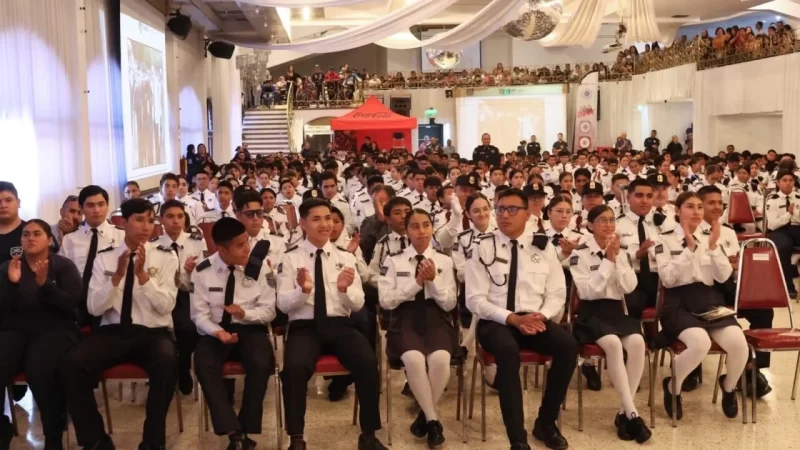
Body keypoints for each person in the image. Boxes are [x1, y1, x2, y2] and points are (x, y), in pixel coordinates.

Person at [63, 198, 179, 450]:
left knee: (168, 362)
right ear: (123, 223)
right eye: (139, 220)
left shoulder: (166, 257)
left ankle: (152, 441)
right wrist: (115, 278)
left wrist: (144, 279)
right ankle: (95, 439)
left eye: (150, 220)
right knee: (73, 364)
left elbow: (167, 306)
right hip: (112, 332)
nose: (146, 227)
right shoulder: (105, 259)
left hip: (153, 333)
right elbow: (94, 308)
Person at [465, 188, 577, 450]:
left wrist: (542, 316)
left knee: (568, 346)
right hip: (496, 321)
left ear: (528, 214)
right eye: (501, 209)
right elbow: (474, 299)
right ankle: (517, 437)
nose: (505, 215)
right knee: (506, 350)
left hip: (534, 317)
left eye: (512, 209)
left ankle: (546, 423)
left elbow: (557, 292)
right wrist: (511, 319)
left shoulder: (543, 247)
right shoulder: (482, 247)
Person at [276, 198, 387, 450]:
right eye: (316, 219)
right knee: (293, 370)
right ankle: (296, 438)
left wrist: (345, 290)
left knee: (368, 362)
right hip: (305, 328)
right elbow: (282, 305)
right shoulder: (291, 258)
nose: (325, 224)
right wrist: (302, 292)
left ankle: (368, 434)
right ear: (303, 224)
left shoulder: (345, 257)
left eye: (328, 218)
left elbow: (358, 304)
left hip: (340, 326)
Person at [654, 192, 749, 421]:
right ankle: (672, 388)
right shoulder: (663, 239)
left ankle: (728, 386)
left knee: (739, 344)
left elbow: (724, 275)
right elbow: (667, 279)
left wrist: (714, 247)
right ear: (677, 211)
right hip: (678, 302)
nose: (696, 211)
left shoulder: (710, 236)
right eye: (689, 206)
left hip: (708, 299)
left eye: (699, 206)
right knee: (700, 343)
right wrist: (689, 249)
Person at [191, 218, 276, 450]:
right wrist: (218, 333)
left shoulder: (260, 267)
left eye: (246, 242)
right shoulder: (203, 271)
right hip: (215, 332)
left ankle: (246, 427)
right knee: (204, 364)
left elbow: (269, 311)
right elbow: (198, 316)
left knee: (260, 362)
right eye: (240, 245)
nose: (247, 249)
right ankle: (234, 433)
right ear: (221, 249)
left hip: (250, 329)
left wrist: (244, 313)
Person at [569, 205, 651, 443]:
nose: (608, 225)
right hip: (591, 315)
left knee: (637, 342)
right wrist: (607, 261)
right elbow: (588, 292)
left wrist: (616, 260)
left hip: (616, 311)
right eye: (602, 220)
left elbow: (628, 288)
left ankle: (623, 412)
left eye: (611, 220)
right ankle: (633, 414)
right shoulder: (580, 253)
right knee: (613, 344)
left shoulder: (622, 252)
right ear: (590, 225)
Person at [378, 209, 458, 447]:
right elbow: (386, 300)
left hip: (437, 317)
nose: (421, 231)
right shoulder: (393, 261)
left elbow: (450, 303)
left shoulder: (445, 261)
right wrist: (416, 284)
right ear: (407, 230)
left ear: (432, 228)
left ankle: (426, 417)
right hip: (405, 318)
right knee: (413, 359)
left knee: (441, 359)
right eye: (415, 226)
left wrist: (432, 282)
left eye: (426, 225)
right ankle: (433, 420)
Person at [0, 220, 82, 450]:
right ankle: (2, 429)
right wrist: (12, 284)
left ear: (49, 239)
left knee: (40, 370)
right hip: (15, 329)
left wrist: (45, 286)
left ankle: (53, 437)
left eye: (37, 233)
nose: (30, 238)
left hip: (55, 328)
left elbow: (72, 306)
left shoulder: (63, 266)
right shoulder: (9, 267)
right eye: (26, 234)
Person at [698, 185, 773, 397]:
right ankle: (745, 367)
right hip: (704, 288)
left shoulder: (729, 232)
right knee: (721, 318)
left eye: (719, 203)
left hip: (728, 284)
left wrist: (736, 265)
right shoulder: (693, 231)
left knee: (763, 310)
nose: (716, 207)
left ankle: (754, 369)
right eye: (710, 202)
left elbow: (734, 264)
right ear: (700, 205)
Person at [154, 199, 208, 395]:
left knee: (187, 326)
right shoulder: (153, 245)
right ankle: (167, 366)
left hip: (188, 295)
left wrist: (188, 273)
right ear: (161, 220)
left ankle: (183, 366)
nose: (175, 221)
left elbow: (203, 277)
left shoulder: (196, 241)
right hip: (161, 295)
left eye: (179, 216)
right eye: (169, 216)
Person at [59, 185, 126, 327]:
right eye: (90, 205)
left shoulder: (122, 236)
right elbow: (63, 275)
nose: (96, 210)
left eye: (101, 204)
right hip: (78, 303)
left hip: (110, 302)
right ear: (82, 209)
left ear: (107, 206)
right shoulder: (70, 239)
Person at [765, 170, 800, 297]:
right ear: (778, 183)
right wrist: (789, 214)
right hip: (779, 231)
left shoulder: (798, 198)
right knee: (784, 247)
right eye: (784, 180)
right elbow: (772, 225)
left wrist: (795, 215)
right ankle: (788, 286)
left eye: (791, 180)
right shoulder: (772, 200)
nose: (788, 183)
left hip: (797, 229)